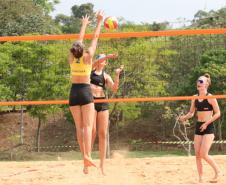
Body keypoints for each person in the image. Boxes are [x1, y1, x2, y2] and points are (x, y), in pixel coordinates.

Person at [68, 11, 104, 174]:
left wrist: (83, 24)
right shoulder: (88, 57)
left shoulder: (71, 57)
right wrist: (98, 22)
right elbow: (95, 37)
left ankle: (85, 159)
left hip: (73, 92)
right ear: (83, 50)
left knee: (79, 127)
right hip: (85, 91)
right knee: (88, 127)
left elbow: (78, 42)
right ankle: (87, 156)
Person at [179, 74, 221, 183]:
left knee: (203, 154)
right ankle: (201, 178)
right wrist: (184, 117)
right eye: (198, 81)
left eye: (201, 81)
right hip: (199, 126)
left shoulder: (211, 97)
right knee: (197, 155)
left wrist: (207, 123)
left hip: (208, 126)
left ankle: (217, 171)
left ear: (206, 84)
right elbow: (191, 113)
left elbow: (218, 113)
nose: (198, 83)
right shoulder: (194, 97)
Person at [91, 53, 123, 175]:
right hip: (91, 103)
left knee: (103, 134)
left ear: (105, 63)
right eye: (100, 59)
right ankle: (87, 160)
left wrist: (117, 74)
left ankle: (102, 165)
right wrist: (108, 56)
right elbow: (94, 62)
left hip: (103, 103)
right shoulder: (90, 71)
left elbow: (114, 88)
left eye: (103, 60)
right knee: (92, 131)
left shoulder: (105, 75)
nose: (101, 61)